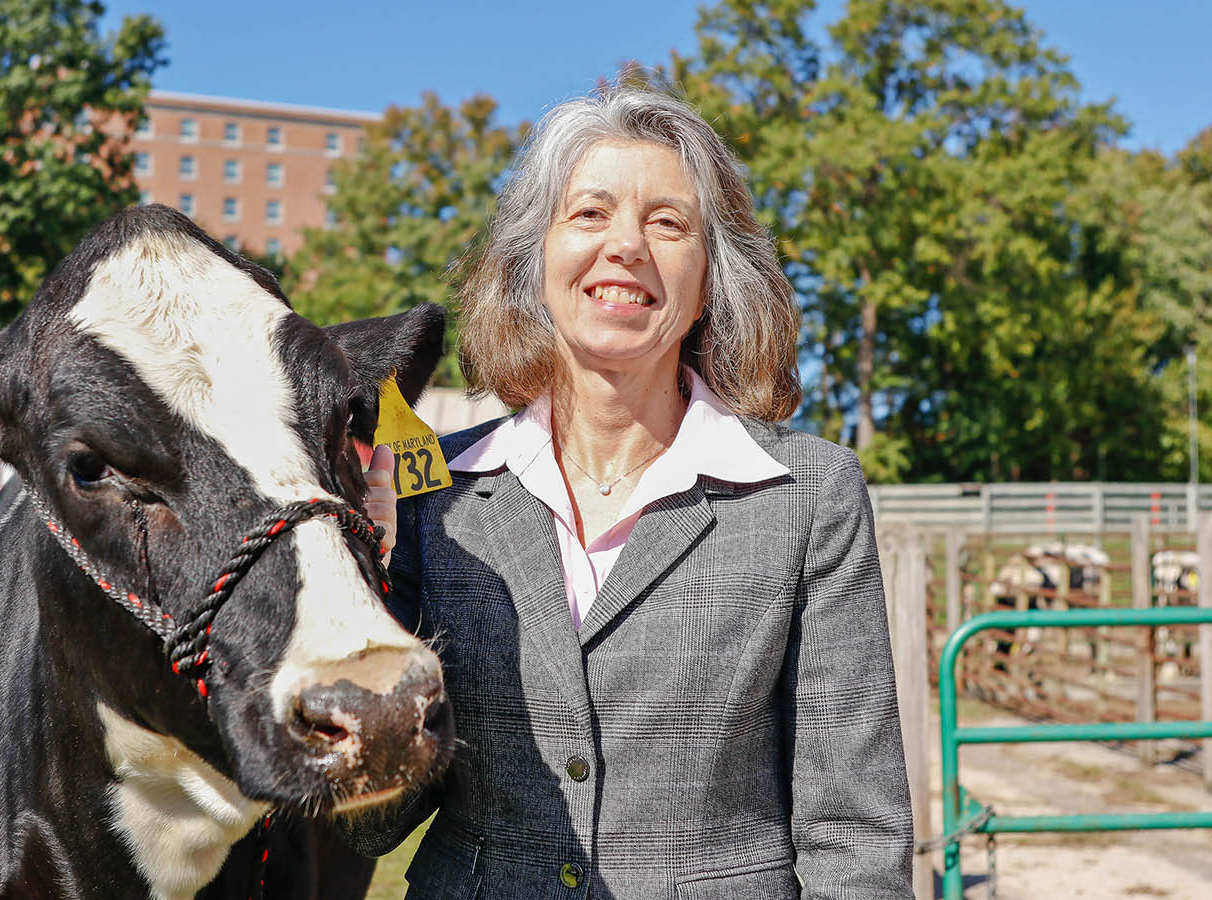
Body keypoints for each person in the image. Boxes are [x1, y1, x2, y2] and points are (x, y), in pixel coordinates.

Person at [349, 86, 913, 899]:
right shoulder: (433, 490)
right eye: (589, 215)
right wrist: (355, 597)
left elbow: (853, 835)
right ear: (533, 261)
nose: (626, 246)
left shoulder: (809, 496)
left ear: (711, 279)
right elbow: (373, 823)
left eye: (667, 223)